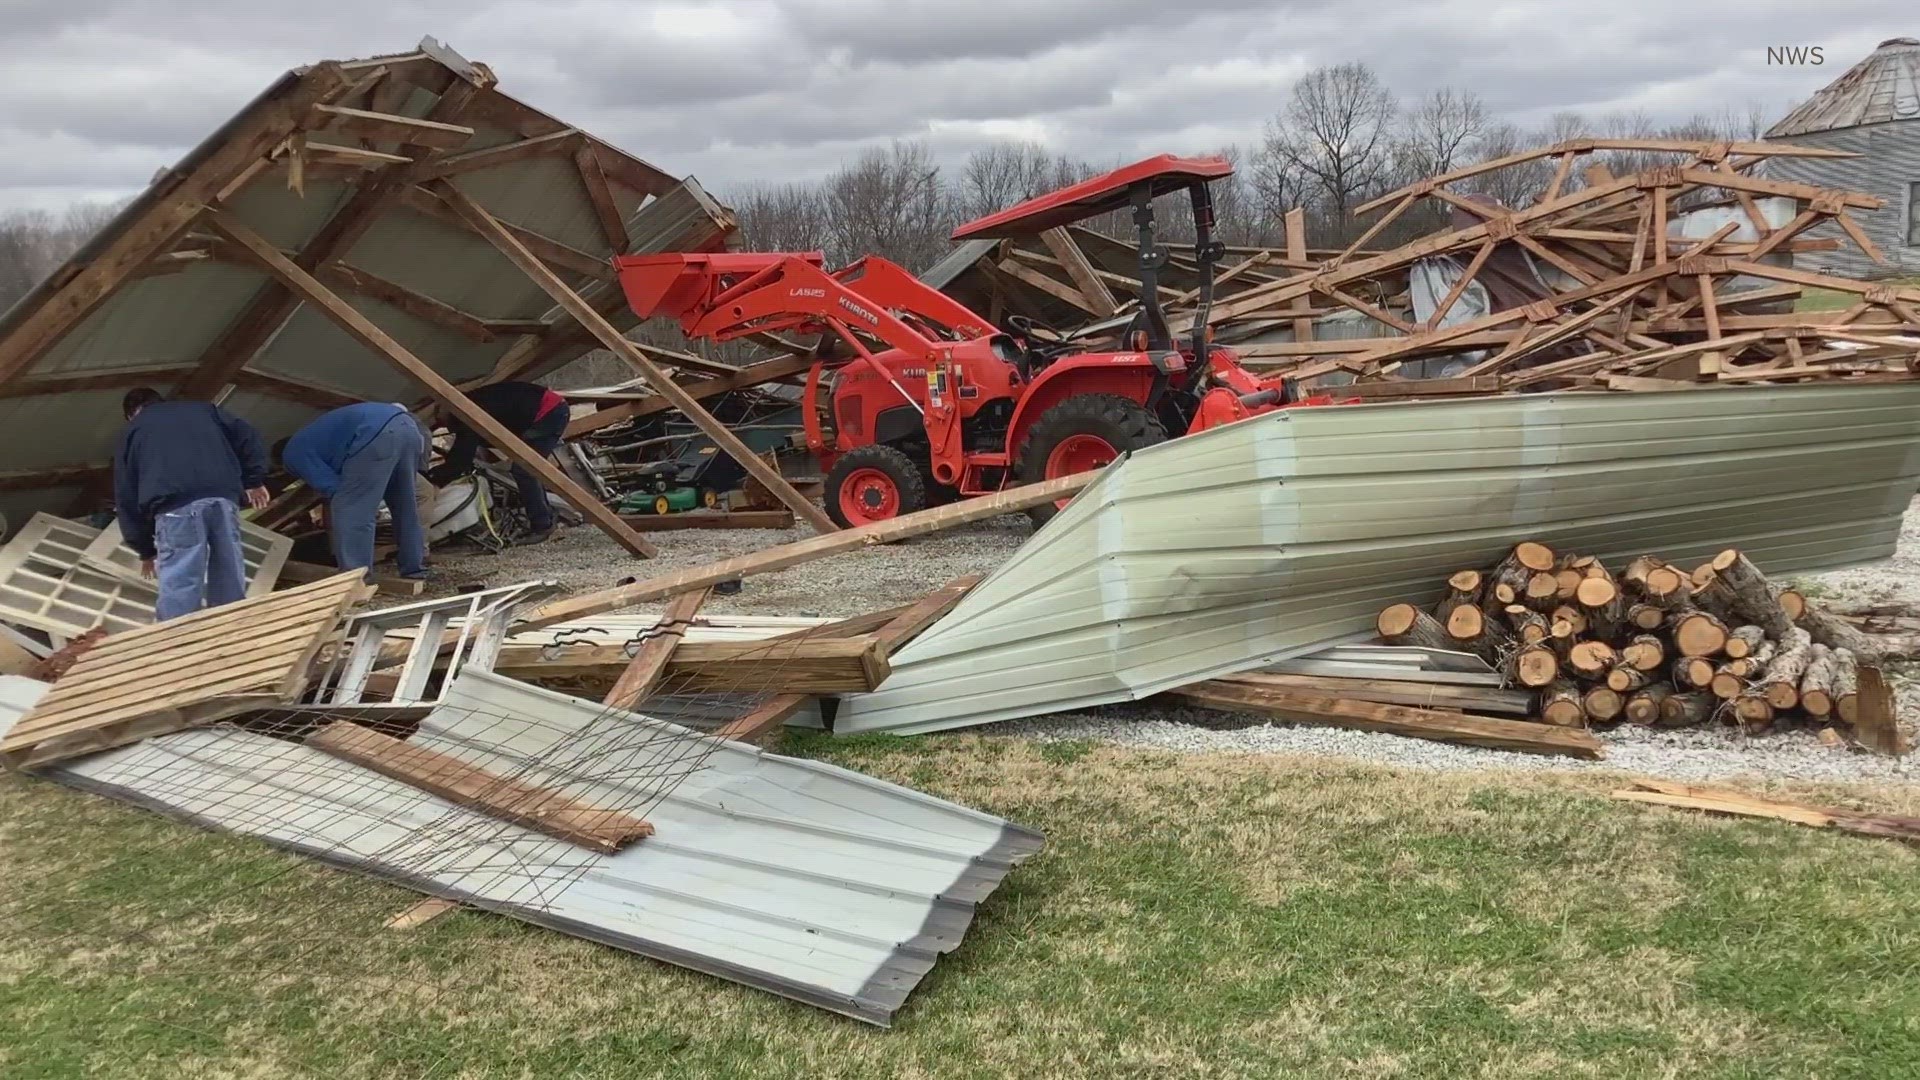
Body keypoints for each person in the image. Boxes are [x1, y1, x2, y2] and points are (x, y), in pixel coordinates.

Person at [111, 388, 270, 621]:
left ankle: (177, 641)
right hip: (222, 497)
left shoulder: (132, 432)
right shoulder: (204, 410)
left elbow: (126, 495)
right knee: (228, 567)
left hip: (175, 506)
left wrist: (145, 549)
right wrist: (253, 480)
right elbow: (248, 436)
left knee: (181, 578)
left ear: (130, 415)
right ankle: (231, 628)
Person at [280, 402, 431, 581]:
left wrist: (359, 503)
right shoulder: (316, 437)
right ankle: (414, 568)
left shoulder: (291, 453)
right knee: (405, 505)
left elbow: (332, 487)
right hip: (408, 428)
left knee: (350, 509)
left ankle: (355, 578)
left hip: (376, 433)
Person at [427, 381, 569, 543]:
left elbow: (462, 457)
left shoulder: (465, 413)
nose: (449, 428)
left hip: (548, 412)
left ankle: (542, 525)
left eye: (444, 423)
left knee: (524, 470)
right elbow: (465, 449)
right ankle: (545, 516)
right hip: (548, 409)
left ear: (446, 411)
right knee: (527, 469)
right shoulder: (472, 403)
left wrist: (435, 478)